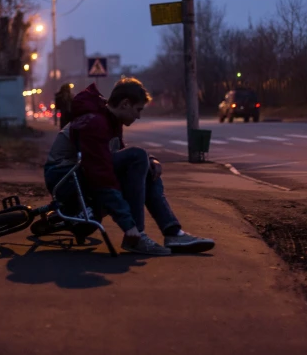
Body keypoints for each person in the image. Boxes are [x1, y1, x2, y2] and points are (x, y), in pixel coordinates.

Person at [43, 78, 215, 256]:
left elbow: (115, 154)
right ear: (125, 104)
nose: (138, 116)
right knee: (138, 156)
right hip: (63, 178)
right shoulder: (95, 122)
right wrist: (128, 224)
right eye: (138, 110)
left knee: (144, 164)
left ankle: (173, 233)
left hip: (78, 173)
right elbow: (100, 175)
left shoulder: (109, 119)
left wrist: (151, 160)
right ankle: (137, 236)